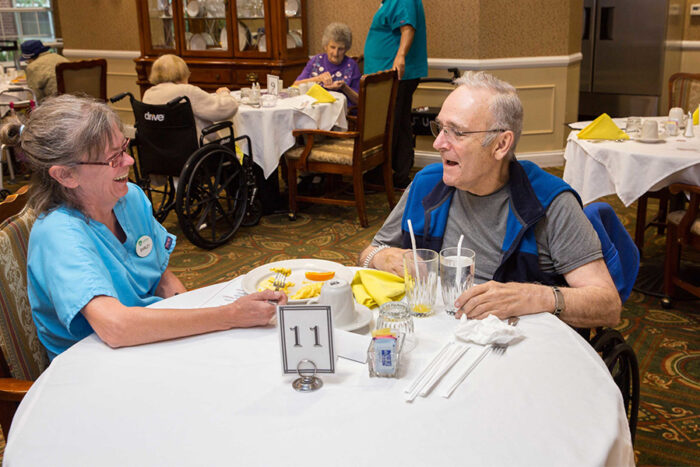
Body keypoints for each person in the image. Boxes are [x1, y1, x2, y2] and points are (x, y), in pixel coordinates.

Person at [6, 94, 285, 360]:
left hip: (144, 345)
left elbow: (161, 278)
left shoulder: (129, 199)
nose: (129, 162)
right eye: (113, 158)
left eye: (124, 148)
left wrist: (202, 324)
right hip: (93, 365)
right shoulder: (59, 234)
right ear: (66, 175)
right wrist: (229, 315)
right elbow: (115, 326)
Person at [359, 71, 622, 329]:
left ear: (500, 144)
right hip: (434, 331)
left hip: (516, 345)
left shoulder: (549, 202)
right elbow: (369, 253)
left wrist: (532, 296)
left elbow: (608, 305)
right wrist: (381, 258)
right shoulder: (427, 184)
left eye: (456, 133)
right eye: (440, 128)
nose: (438, 143)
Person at [363, 0, 427, 188]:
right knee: (399, 123)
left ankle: (382, 174)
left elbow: (408, 28)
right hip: (391, 73)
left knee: (389, 125)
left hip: (395, 74)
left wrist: (400, 56)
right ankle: (399, 173)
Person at [143, 54, 238, 140]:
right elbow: (225, 110)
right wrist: (224, 93)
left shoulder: (148, 94)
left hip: (160, 153)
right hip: (195, 152)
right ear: (181, 72)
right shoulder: (186, 91)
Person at [293, 22, 361, 105]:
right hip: (315, 109)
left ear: (346, 49)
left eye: (341, 49)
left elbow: (359, 100)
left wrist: (344, 87)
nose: (336, 53)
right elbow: (295, 85)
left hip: (342, 113)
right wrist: (317, 79)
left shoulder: (351, 65)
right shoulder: (316, 61)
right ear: (325, 46)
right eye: (332, 47)